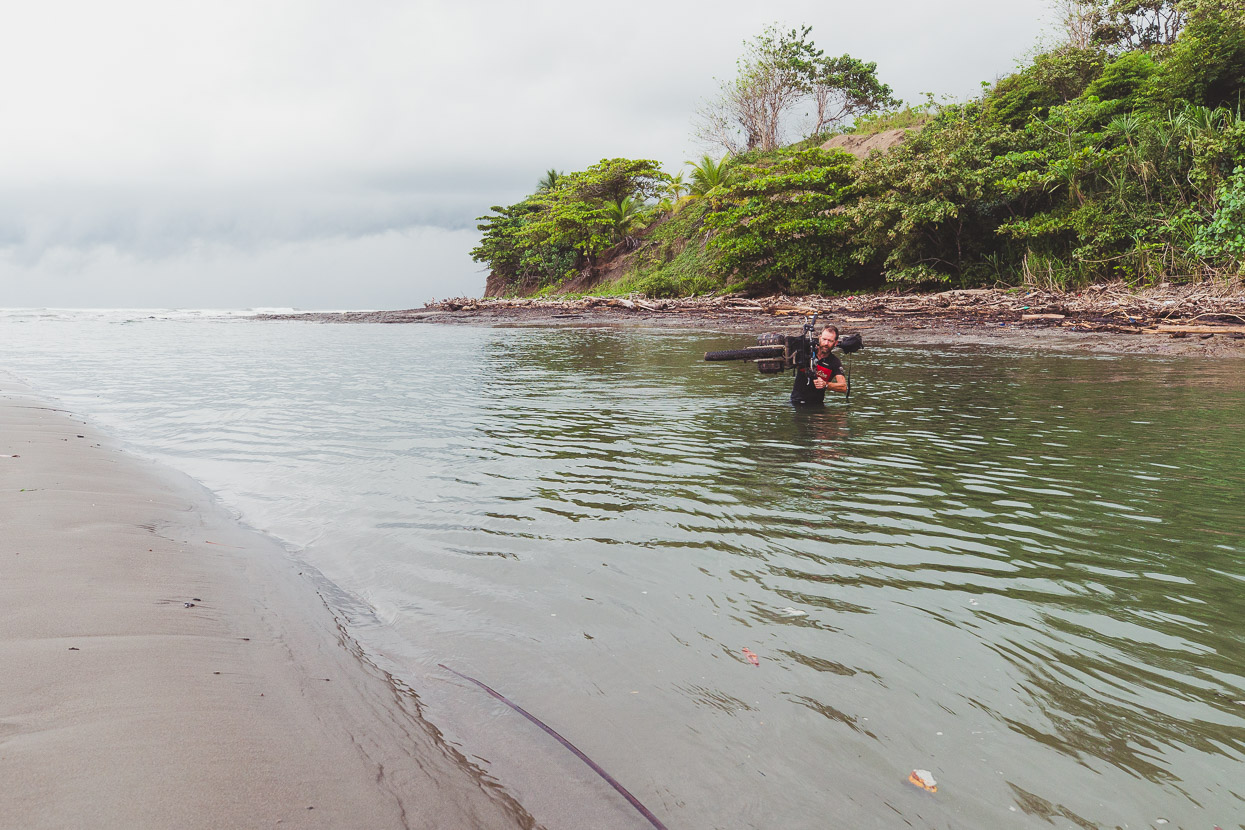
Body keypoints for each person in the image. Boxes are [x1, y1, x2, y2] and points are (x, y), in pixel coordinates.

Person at [790, 325, 848, 405]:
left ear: (836, 343)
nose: (826, 343)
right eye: (824, 339)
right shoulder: (806, 352)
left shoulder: (834, 362)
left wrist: (826, 384)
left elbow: (844, 387)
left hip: (817, 406)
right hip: (795, 402)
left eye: (830, 341)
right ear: (820, 338)